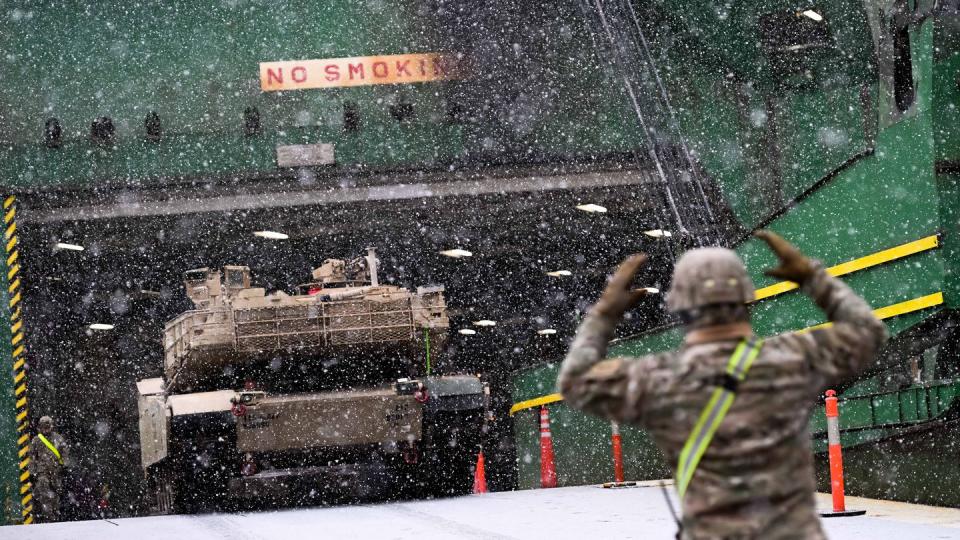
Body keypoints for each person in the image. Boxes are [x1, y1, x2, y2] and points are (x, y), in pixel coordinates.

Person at [558, 231, 888, 539]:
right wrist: (813, 279)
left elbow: (574, 381)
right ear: (747, 300)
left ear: (680, 307)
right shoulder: (794, 358)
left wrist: (604, 313)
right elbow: (868, 332)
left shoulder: (656, 378)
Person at [29, 415, 70, 523]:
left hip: (56, 472)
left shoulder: (58, 439)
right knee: (44, 493)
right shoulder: (36, 440)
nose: (46, 429)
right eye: (43, 426)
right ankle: (48, 517)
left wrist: (65, 466)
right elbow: (32, 457)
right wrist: (32, 472)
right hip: (42, 472)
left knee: (55, 496)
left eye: (47, 426)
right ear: (39, 427)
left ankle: (54, 517)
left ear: (52, 426)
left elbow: (65, 453)